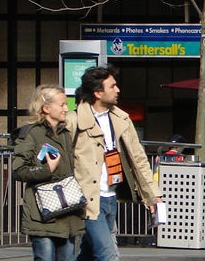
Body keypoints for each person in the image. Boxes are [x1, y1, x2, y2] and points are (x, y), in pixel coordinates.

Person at [66, 66, 162, 261]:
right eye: (112, 86)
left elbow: (139, 159)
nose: (118, 90)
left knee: (89, 253)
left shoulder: (121, 119)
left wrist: (153, 195)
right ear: (97, 92)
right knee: (108, 254)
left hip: (111, 198)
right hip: (89, 199)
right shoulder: (74, 121)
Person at [11, 85, 85, 261]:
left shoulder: (65, 133)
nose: (66, 109)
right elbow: (18, 169)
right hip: (41, 213)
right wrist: (47, 169)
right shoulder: (31, 134)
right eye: (62, 105)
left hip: (67, 210)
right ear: (46, 108)